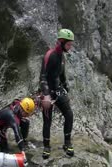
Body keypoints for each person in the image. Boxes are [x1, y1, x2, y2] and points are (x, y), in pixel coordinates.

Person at [39, 28, 75, 159]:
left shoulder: (62, 57)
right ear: (61, 42)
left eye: (71, 44)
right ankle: (46, 147)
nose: (70, 47)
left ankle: (67, 143)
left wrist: (67, 90)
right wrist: (46, 95)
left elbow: (62, 76)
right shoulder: (50, 55)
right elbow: (43, 77)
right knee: (47, 120)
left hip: (58, 90)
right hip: (47, 91)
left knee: (69, 114)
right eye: (69, 44)